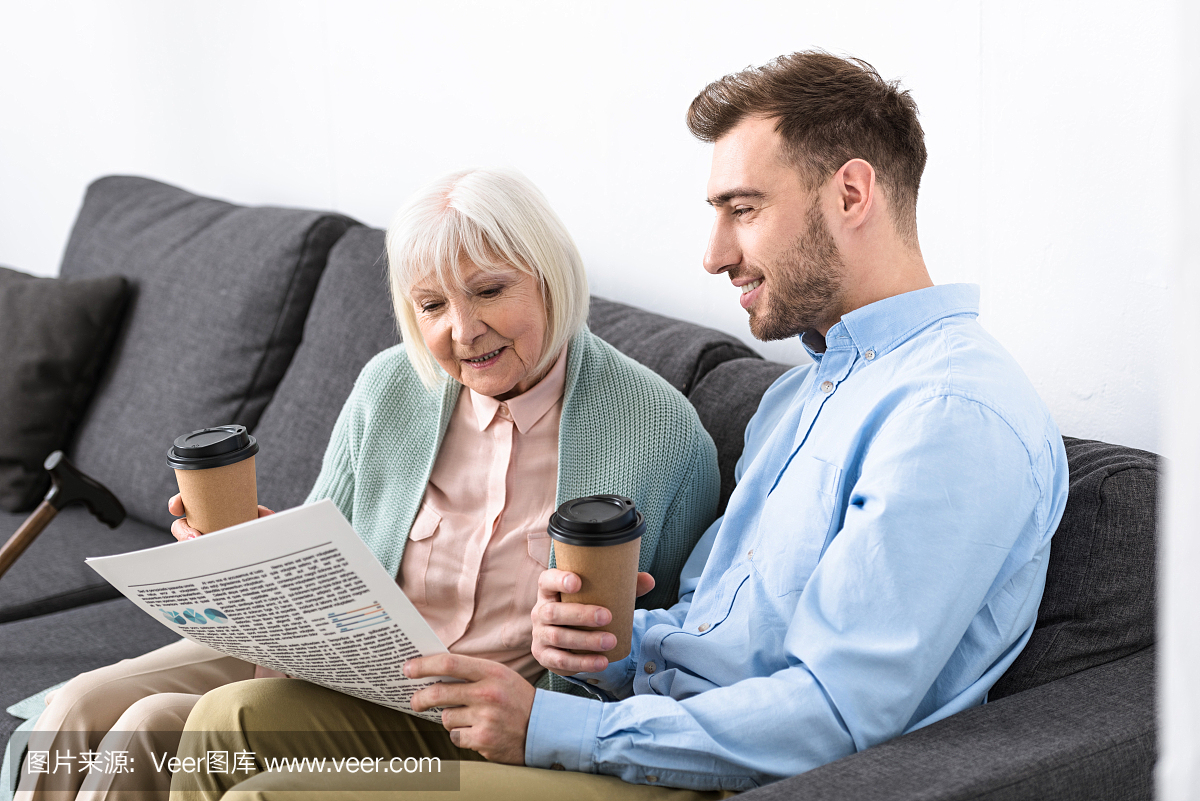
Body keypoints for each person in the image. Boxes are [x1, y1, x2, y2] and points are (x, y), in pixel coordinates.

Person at [170, 52, 1070, 800]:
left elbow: (836, 713)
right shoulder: (804, 397)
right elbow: (708, 627)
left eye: (742, 210)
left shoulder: (950, 415)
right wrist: (609, 646)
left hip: (708, 774)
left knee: (268, 791)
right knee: (230, 722)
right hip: (635, 718)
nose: (714, 254)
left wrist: (558, 721)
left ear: (851, 192)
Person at [13, 168, 719, 800]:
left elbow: (680, 639)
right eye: (431, 305)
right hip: (350, 657)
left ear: (551, 275)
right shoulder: (390, 385)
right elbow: (331, 541)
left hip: (469, 708)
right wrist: (245, 553)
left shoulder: (660, 430)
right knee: (80, 706)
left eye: (489, 290)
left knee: (162, 725)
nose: (463, 330)